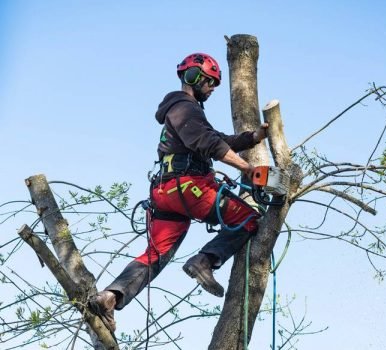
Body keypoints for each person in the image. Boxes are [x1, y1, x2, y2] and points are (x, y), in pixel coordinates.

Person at [89, 52, 269, 332]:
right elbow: (209, 142)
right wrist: (247, 168)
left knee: (156, 254)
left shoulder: (185, 112)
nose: (211, 88)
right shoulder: (183, 106)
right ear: (193, 77)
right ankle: (205, 261)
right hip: (189, 188)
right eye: (209, 81)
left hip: (165, 193)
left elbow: (216, 137)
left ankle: (111, 297)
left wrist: (251, 138)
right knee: (248, 218)